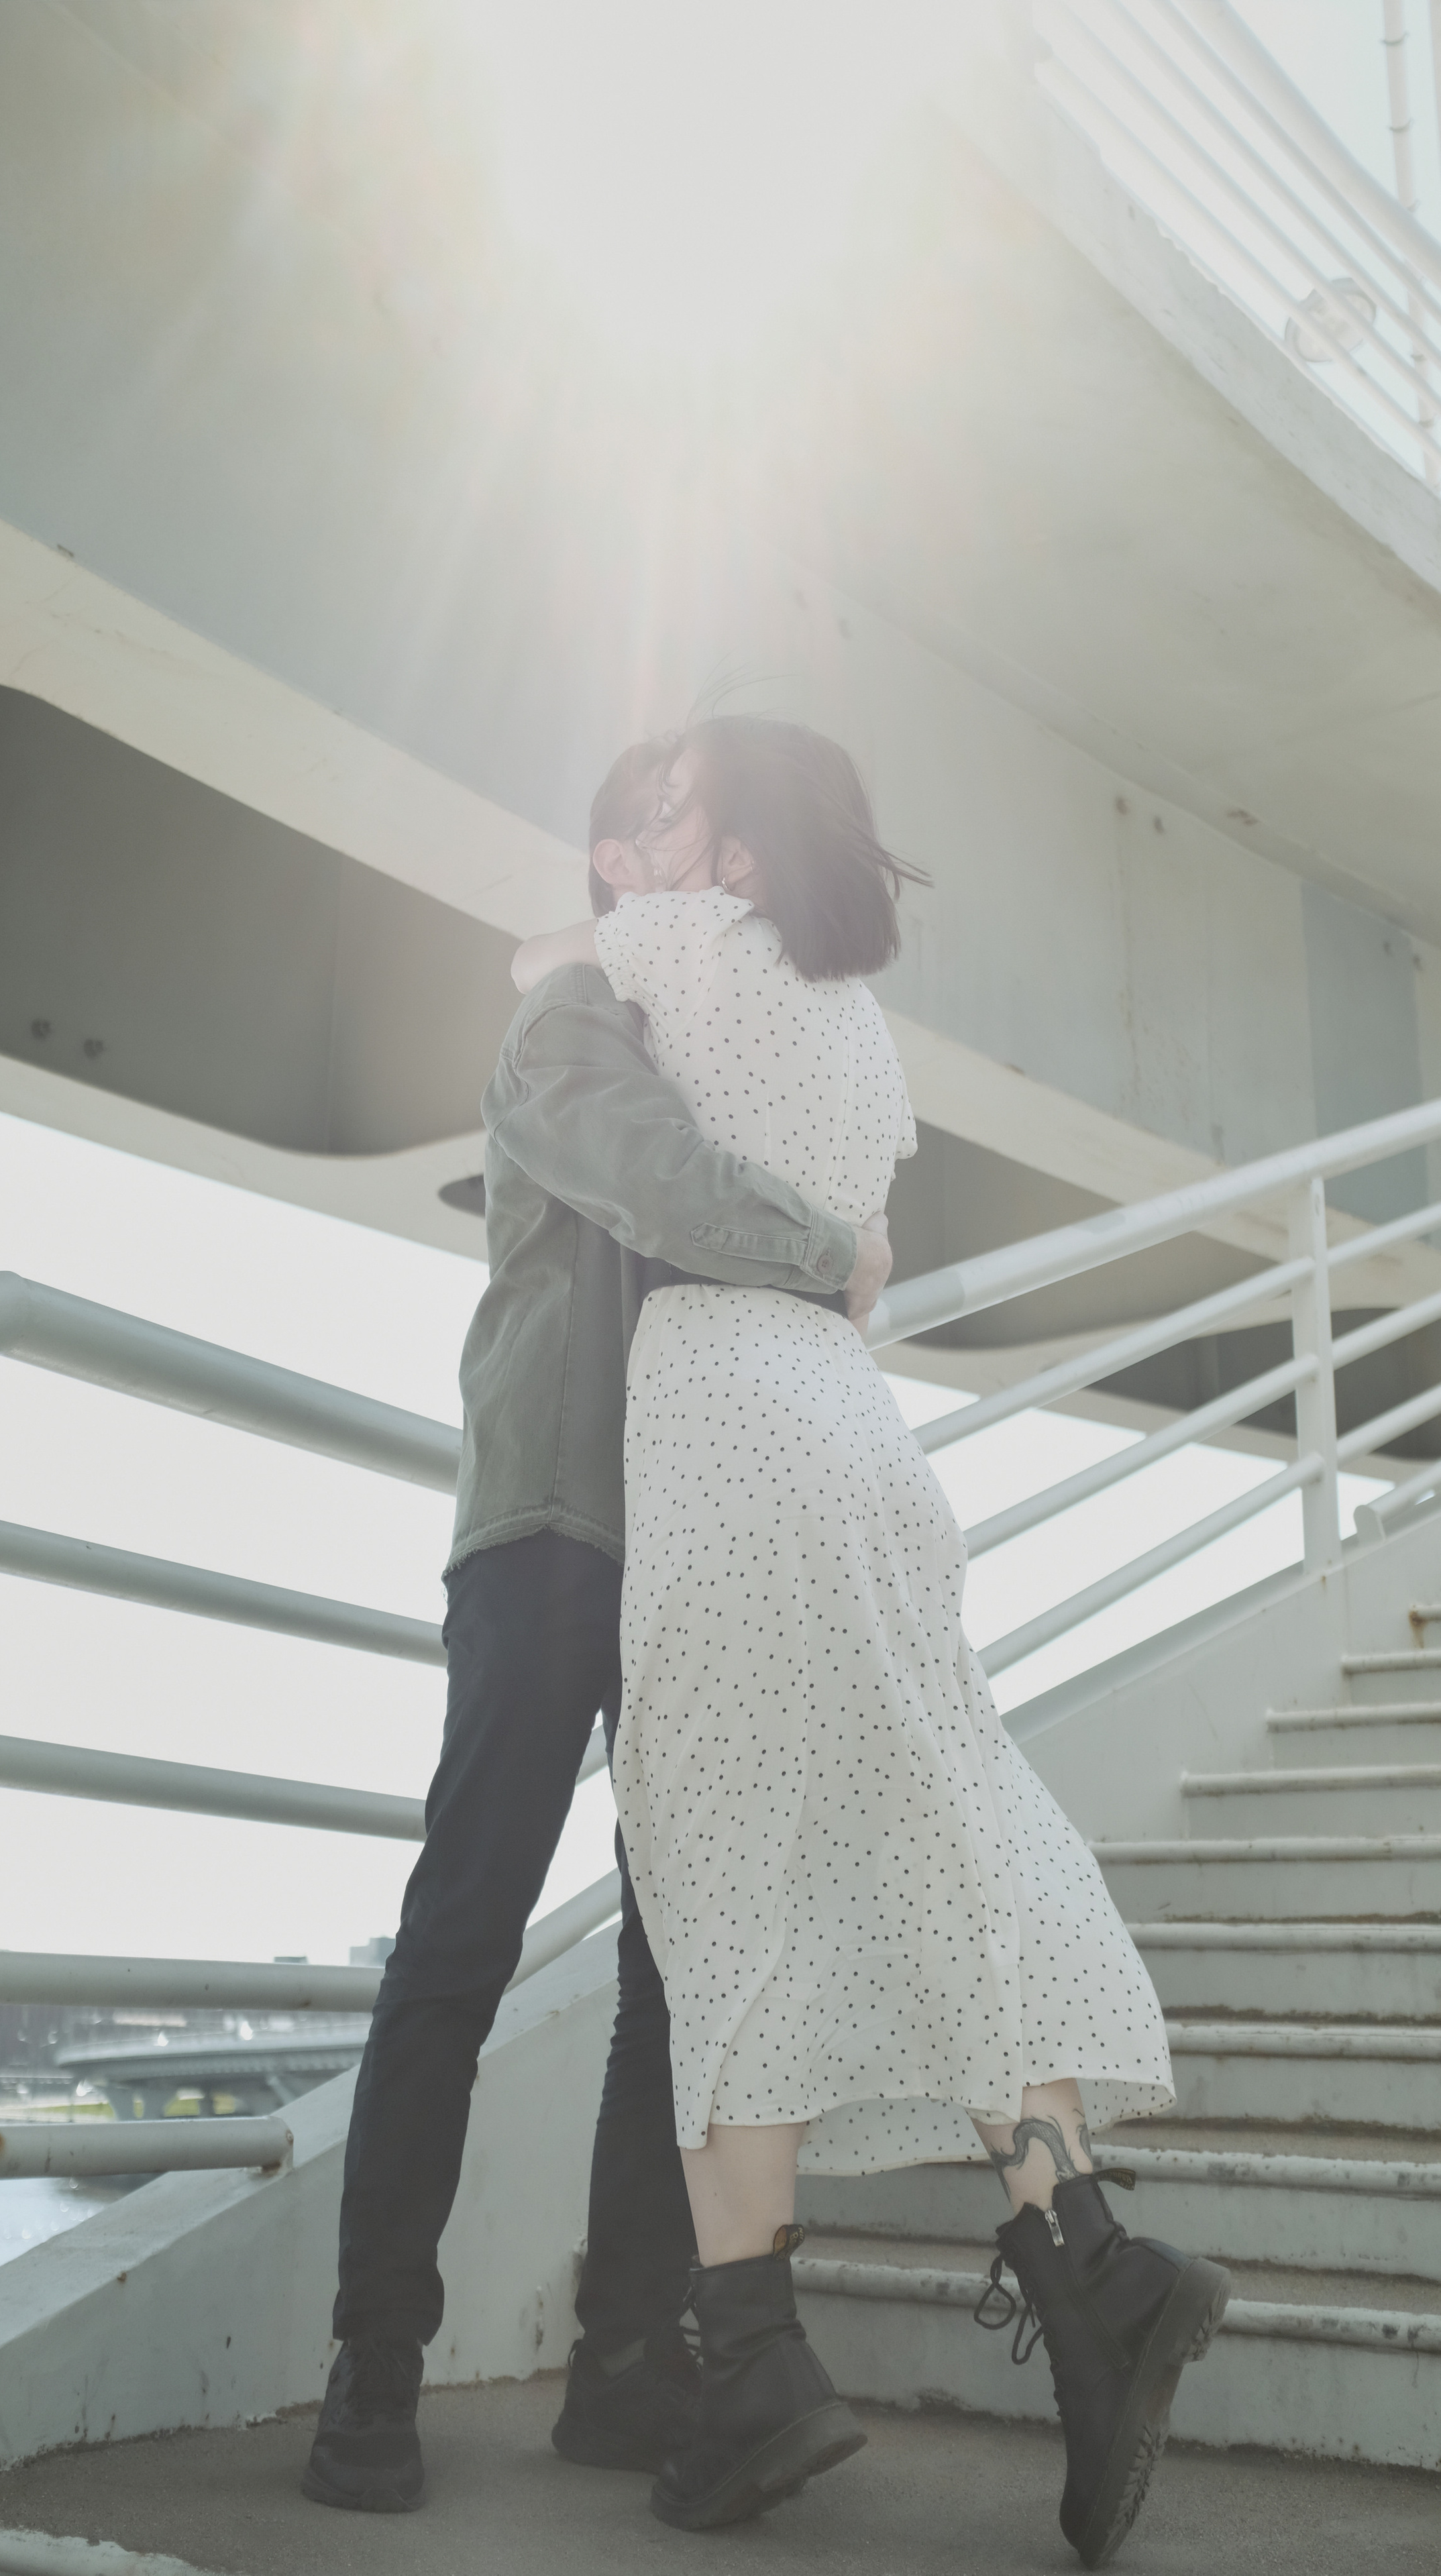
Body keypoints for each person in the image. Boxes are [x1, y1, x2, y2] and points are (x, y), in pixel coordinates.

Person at [511, 715, 1230, 2569]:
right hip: (859, 1440)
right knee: (932, 1831)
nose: (636, 843)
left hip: (733, 1428)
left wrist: (595, 934)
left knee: (723, 1869)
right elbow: (877, 1249)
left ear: (739, 858)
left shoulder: (666, 949)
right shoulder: (863, 1033)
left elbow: (555, 988)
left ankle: (753, 2368)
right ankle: (1084, 2258)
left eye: (672, 816)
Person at [301, 741, 895, 2515]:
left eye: (708, 813)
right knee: (462, 1934)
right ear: (613, 863)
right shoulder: (573, 1027)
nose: (698, 845)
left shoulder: (724, 1049)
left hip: (688, 1553)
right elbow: (665, 1189)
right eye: (663, 818)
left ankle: (628, 2362)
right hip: (549, 1533)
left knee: (671, 1966)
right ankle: (373, 2367)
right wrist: (837, 1252)